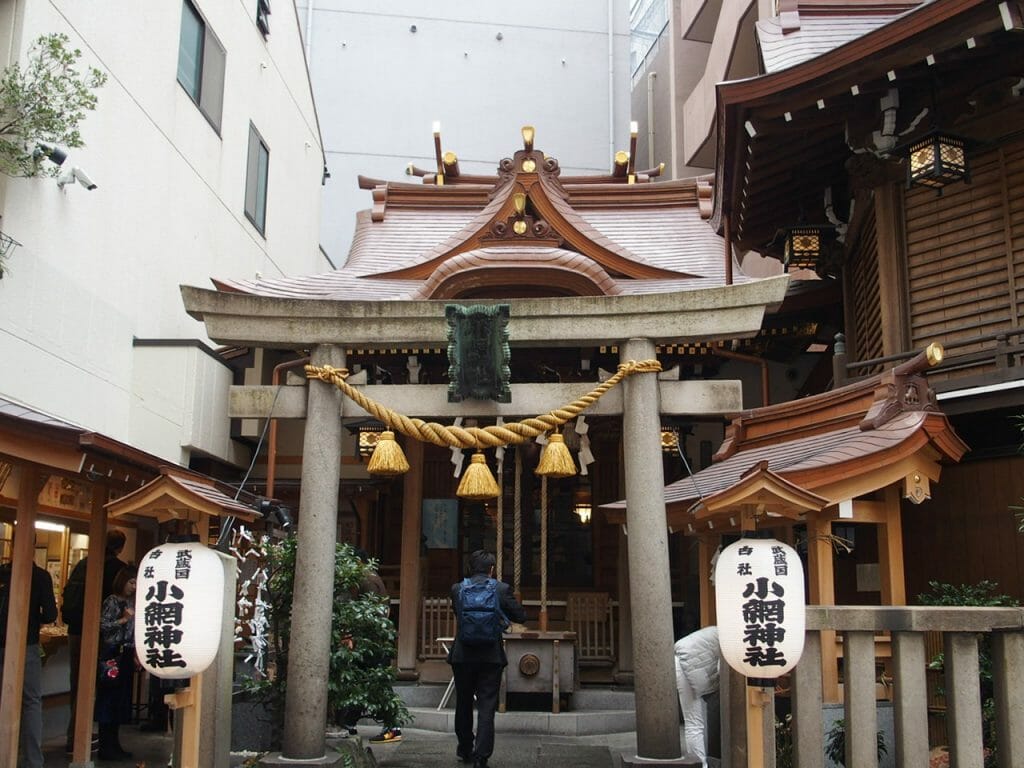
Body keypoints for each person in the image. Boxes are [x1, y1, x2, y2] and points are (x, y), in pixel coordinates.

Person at [447, 549, 526, 768]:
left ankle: (465, 749)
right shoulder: (500, 589)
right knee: (486, 705)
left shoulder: (457, 589)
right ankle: (481, 756)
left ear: (470, 568)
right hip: (491, 655)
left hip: (463, 654)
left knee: (463, 702)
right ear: (492, 569)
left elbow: (458, 612)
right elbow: (520, 615)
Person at [62, 528, 128, 753]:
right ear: (120, 547)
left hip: (75, 631)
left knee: (78, 684)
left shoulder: (83, 564)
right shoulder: (118, 570)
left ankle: (75, 736)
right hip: (103, 638)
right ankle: (101, 739)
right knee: (107, 686)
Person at [0, 533, 59, 768]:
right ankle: (33, 760)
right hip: (28, 644)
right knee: (32, 702)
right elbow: (52, 615)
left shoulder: (3, 572)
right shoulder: (41, 576)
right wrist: (35, 618)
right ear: (33, 546)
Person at [95, 565, 137, 760]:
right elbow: (102, 625)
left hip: (126, 651)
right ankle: (106, 745)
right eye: (131, 582)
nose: (134, 587)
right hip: (112, 653)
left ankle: (115, 743)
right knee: (108, 698)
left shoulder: (131, 602)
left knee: (120, 700)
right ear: (123, 582)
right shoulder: (112, 601)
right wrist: (122, 620)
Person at [674, 625, 720, 768]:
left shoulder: (722, 630)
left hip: (683, 661)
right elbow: (722, 671)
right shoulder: (733, 639)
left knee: (695, 723)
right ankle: (700, 764)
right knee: (695, 723)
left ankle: (700, 763)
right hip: (686, 665)